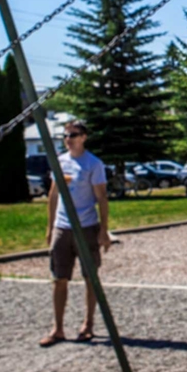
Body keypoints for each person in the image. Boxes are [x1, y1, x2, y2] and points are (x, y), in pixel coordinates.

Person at [41, 120, 111, 347]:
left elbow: (101, 198)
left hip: (87, 226)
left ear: (84, 137)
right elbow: (53, 196)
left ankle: (87, 324)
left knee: (90, 278)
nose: (68, 139)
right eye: (65, 135)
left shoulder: (93, 164)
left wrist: (103, 230)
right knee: (59, 278)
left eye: (73, 134)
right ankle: (58, 328)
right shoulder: (60, 162)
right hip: (63, 227)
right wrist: (50, 227)